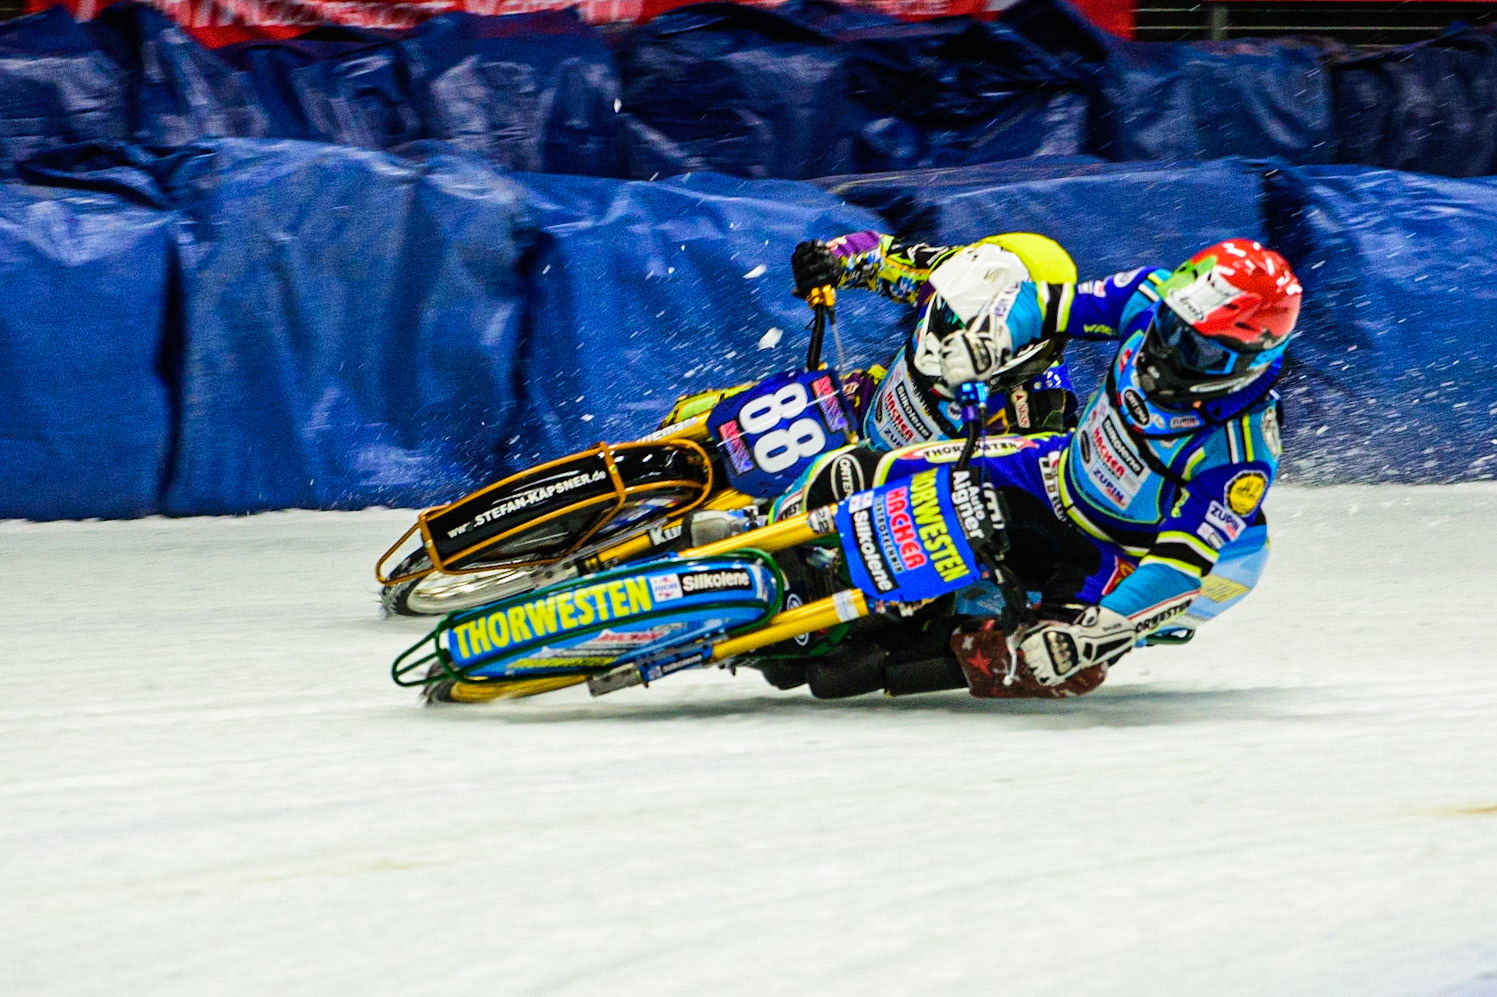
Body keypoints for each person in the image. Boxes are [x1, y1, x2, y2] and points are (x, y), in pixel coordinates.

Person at [772, 238, 1300, 699]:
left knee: (1029, 662)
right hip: (1049, 472)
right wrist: (990, 340)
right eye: (1168, 326)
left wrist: (1102, 631)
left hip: (1110, 553)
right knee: (865, 469)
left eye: (1196, 349)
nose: (1162, 351)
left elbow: (1181, 566)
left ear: (1249, 359)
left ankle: (882, 654)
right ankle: (755, 530)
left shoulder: (1243, 451)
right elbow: (1045, 302)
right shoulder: (1148, 296)